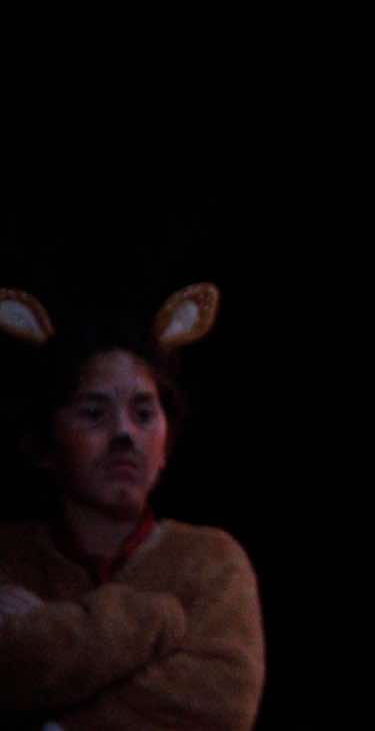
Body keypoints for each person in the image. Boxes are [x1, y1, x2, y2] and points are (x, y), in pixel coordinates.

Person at [0, 284, 264, 731]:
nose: (124, 434)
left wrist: (56, 719)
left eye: (143, 414)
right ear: (43, 443)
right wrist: (152, 618)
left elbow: (220, 699)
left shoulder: (211, 561)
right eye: (94, 413)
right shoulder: (9, 557)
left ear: (166, 446)